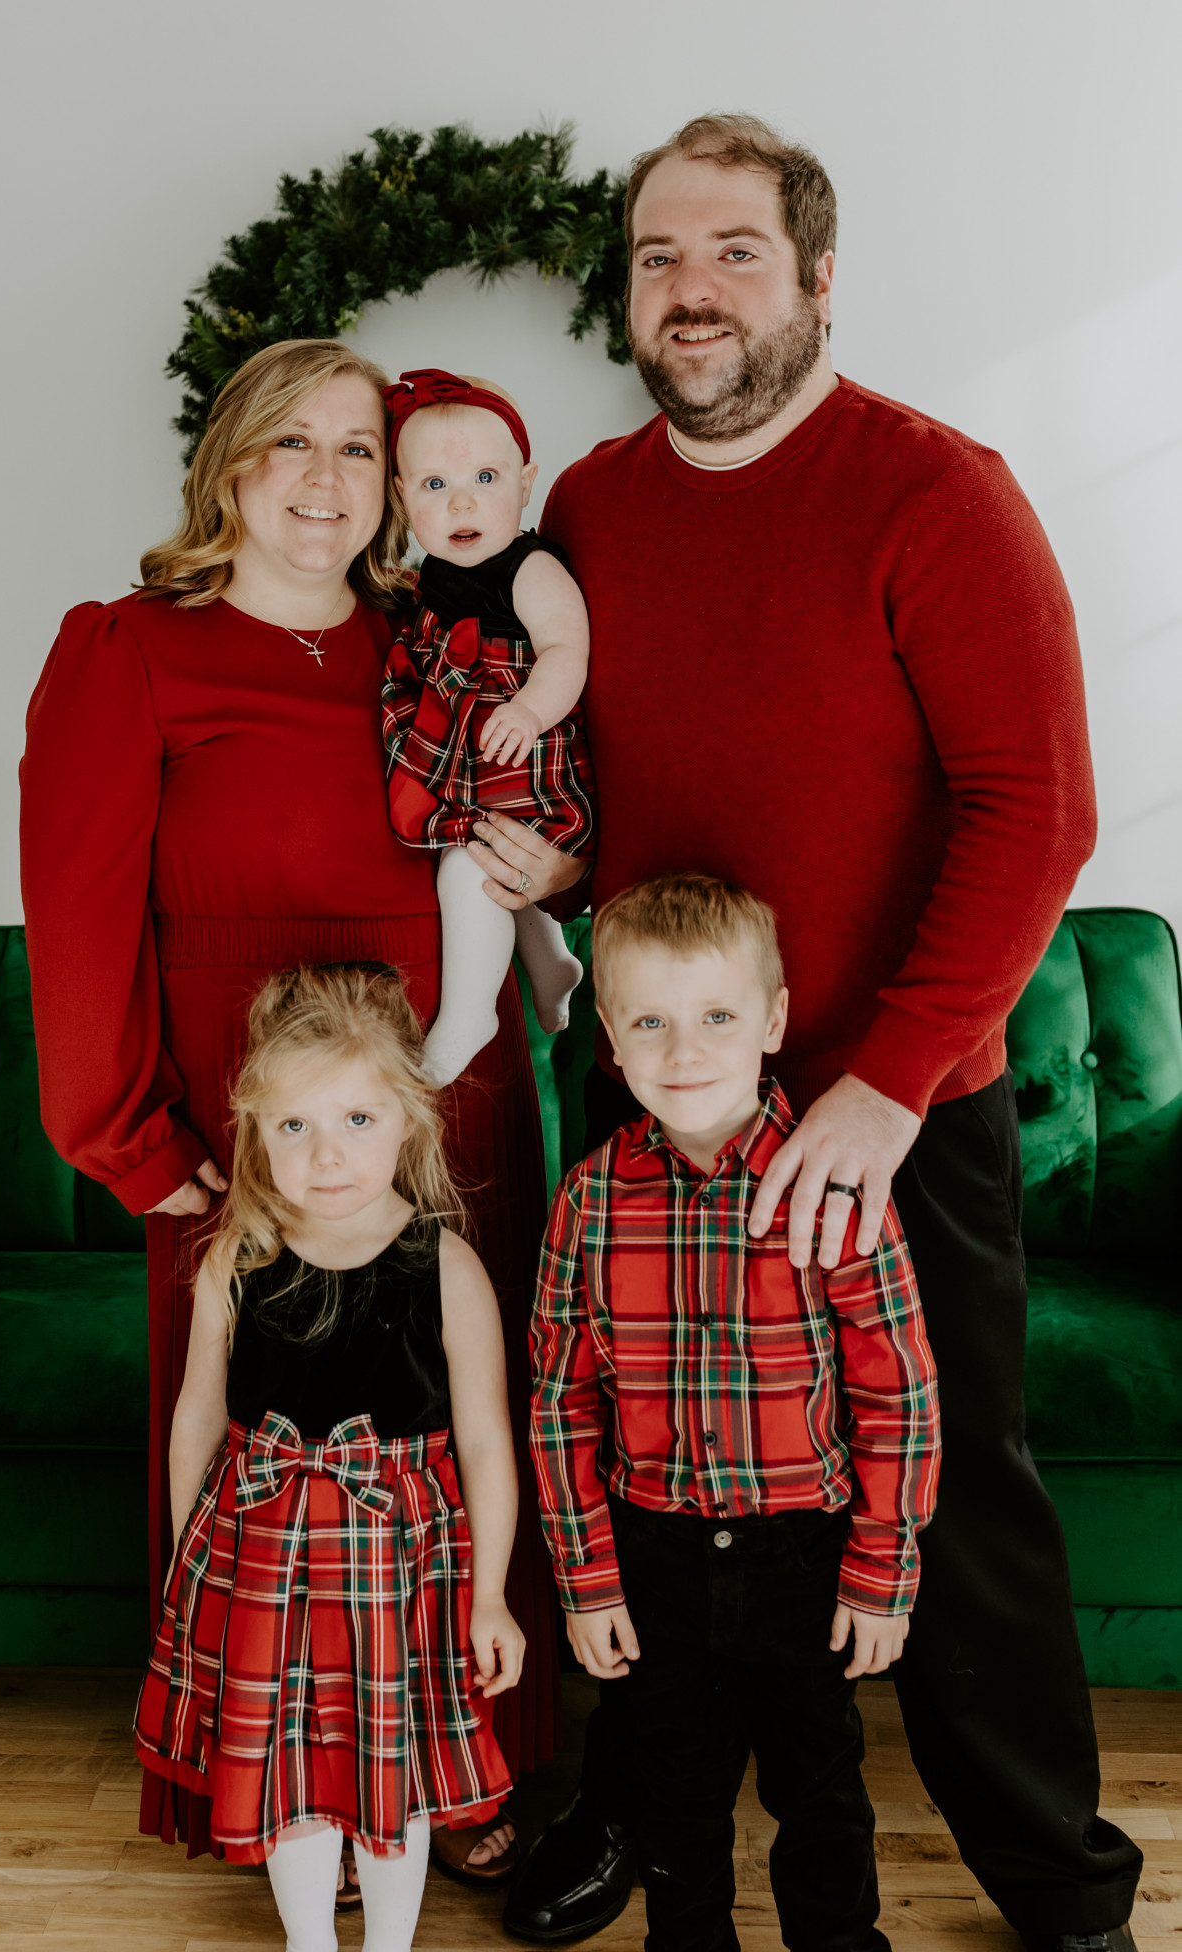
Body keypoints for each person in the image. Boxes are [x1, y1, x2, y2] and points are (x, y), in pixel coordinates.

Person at [504, 115, 1143, 1952]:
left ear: (817, 279)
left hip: (890, 1113)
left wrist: (883, 1084)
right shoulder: (593, 511)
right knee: (635, 1474)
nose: (689, 290)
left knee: (955, 1497)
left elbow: (1037, 810)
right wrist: (562, 861)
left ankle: (1058, 1881)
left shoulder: (937, 494)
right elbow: (620, 788)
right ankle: (628, 1812)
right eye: (657, 258)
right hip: (658, 1098)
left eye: (732, 253)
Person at [19, 337, 572, 1879]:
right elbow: (75, 918)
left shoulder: (439, 639)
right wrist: (129, 1141)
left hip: (446, 1096)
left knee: (449, 1430)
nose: (326, 480)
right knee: (266, 1448)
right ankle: (262, 1768)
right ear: (228, 468)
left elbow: (540, 803)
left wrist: (563, 866)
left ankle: (467, 1772)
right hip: (249, 1118)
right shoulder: (129, 651)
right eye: (292, 444)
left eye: (357, 451)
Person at [530, 874, 940, 1952]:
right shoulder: (588, 1200)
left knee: (820, 1787)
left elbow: (899, 1390)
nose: (684, 1050)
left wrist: (883, 1569)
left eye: (716, 1015)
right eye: (649, 1022)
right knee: (674, 1790)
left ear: (772, 1020)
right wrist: (586, 1580)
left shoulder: (836, 1185)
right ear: (609, 1037)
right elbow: (561, 1403)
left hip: (803, 1551)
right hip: (652, 1554)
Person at [135, 963, 522, 1952]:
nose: (326, 1153)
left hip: (402, 1564)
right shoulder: (236, 1258)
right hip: (260, 1558)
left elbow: (485, 1437)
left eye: (356, 1118)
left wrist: (488, 1596)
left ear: (408, 1121)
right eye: (294, 1125)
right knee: (287, 1769)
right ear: (256, 1132)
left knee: (393, 1768)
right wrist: (188, 1562)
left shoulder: (444, 1264)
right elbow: (197, 1415)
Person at [381, 367, 593, 1086]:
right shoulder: (432, 574)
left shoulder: (530, 568)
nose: (462, 500)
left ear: (526, 483)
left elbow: (566, 649)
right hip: (473, 755)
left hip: (524, 758)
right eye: (434, 485)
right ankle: (550, 962)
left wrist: (529, 709)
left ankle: (472, 1014)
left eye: (485, 477)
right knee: (491, 859)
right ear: (402, 497)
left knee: (468, 864)